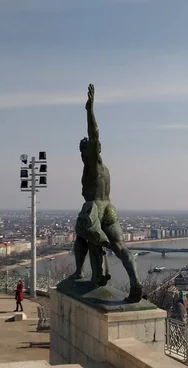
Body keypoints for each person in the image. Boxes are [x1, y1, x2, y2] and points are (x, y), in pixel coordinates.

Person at [69, 84, 143, 303]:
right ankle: (134, 280)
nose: (82, 153)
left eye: (83, 150)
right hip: (109, 208)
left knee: (81, 235)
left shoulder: (94, 163)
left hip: (95, 208)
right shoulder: (104, 170)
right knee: (118, 246)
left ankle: (81, 272)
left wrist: (89, 110)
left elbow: (94, 134)